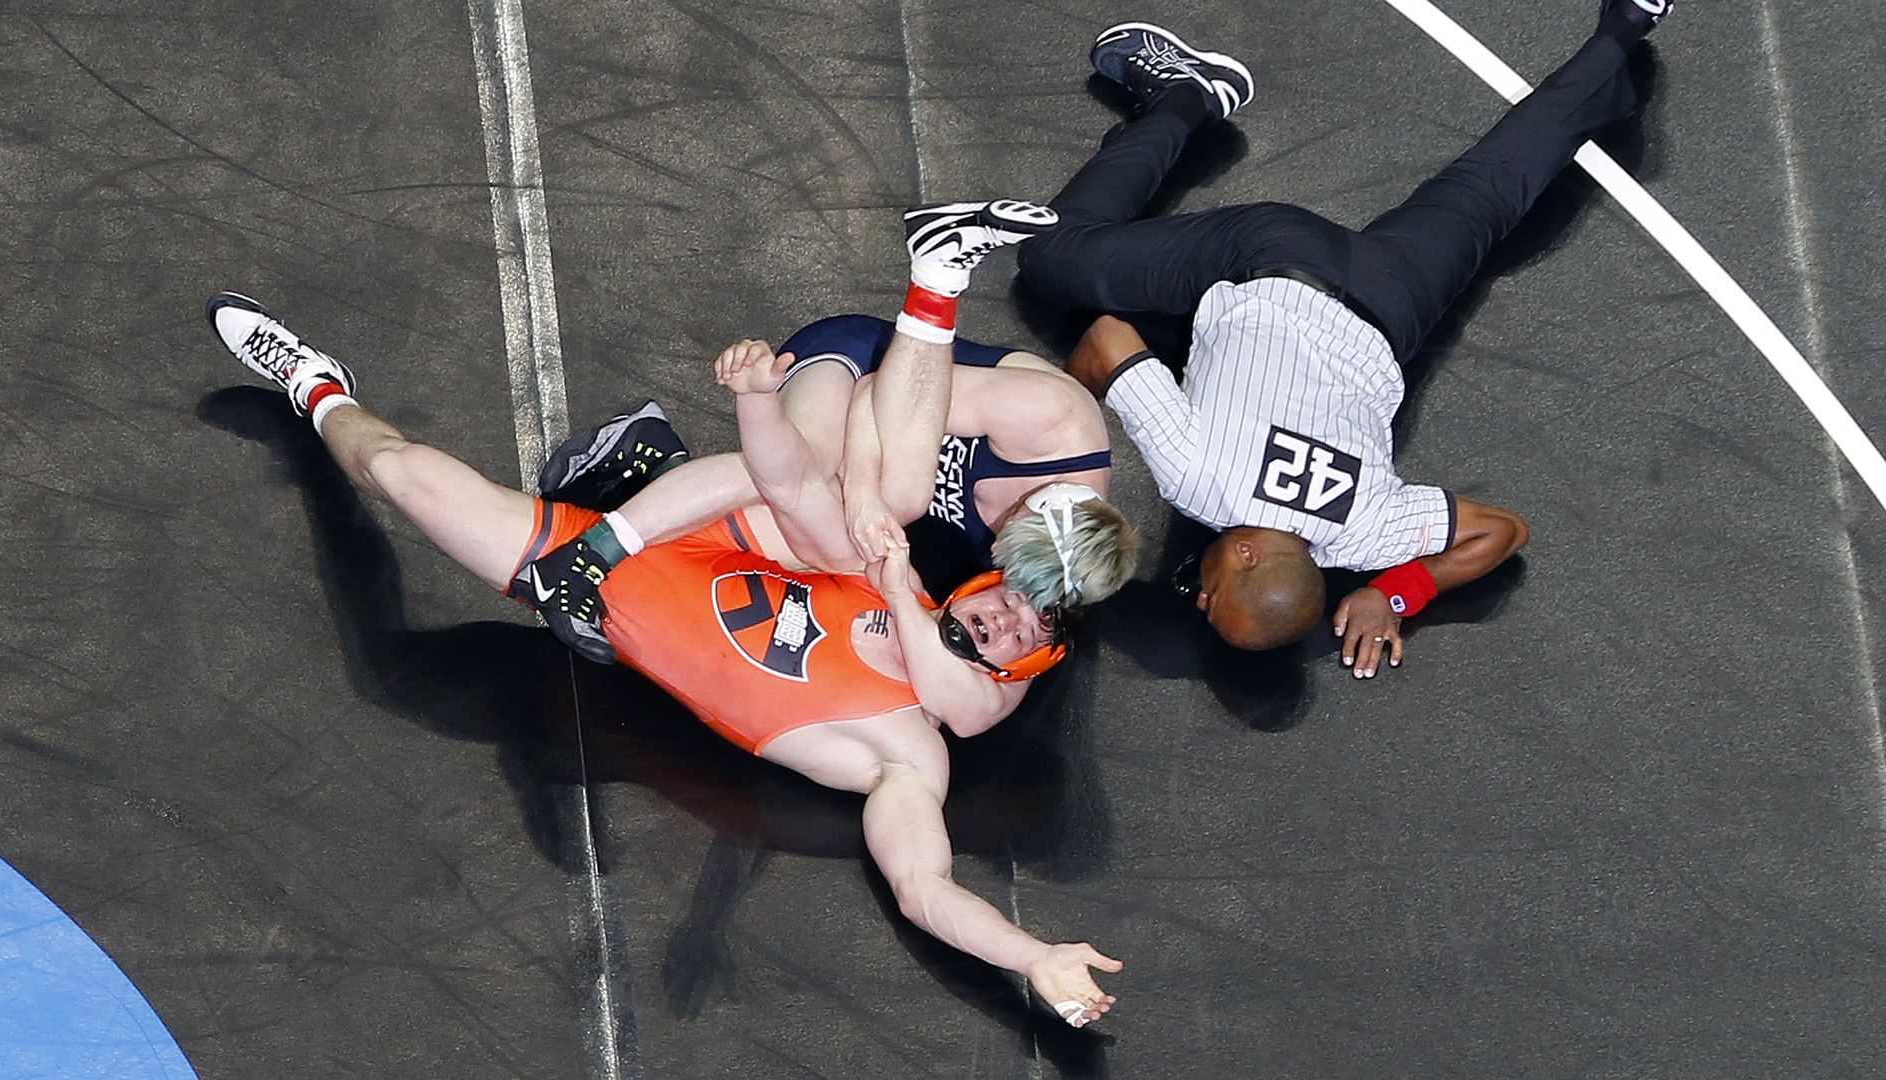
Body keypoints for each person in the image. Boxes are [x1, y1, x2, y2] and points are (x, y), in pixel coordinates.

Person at [205, 291, 1124, 1027]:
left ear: (1020, 672)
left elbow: (924, 890)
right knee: (833, 500)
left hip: (595, 589)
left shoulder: (906, 755)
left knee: (399, 483)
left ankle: (322, 392)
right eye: (1009, 601)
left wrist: (1033, 955)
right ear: (980, 582)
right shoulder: (877, 557)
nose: (1005, 619)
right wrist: (759, 399)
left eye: (1021, 634)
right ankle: (622, 480)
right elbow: (784, 476)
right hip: (662, 536)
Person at [1017, 3, 1673, 676]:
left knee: (1499, 181)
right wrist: (1062, 440)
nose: (1198, 594)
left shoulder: (1368, 531)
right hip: (1268, 254)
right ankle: (1187, 97)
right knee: (1048, 256)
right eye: (1211, 599)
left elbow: (1502, 531)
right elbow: (1106, 338)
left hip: (1395, 296)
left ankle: (1626, 28)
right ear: (1245, 554)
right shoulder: (1196, 477)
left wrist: (1396, 589)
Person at [547, 200, 1139, 614]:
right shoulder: (1052, 421)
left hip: (883, 449)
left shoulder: (1050, 565)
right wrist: (862, 498)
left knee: (823, 544)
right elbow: (874, 392)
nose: (999, 531)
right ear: (1051, 505)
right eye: (1013, 528)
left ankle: (658, 461)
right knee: (820, 476)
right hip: (860, 362)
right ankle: (591, 553)